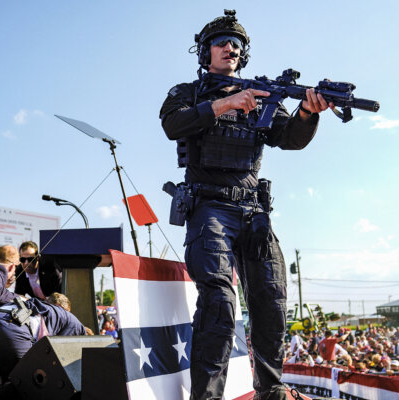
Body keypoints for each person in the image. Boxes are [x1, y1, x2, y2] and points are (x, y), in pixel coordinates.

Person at [159, 10, 333, 400]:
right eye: (221, 42)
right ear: (204, 52)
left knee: (271, 299)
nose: (230, 49)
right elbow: (174, 125)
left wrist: (308, 113)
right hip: (209, 207)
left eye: (236, 45)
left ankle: (270, 390)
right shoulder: (186, 93)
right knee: (220, 301)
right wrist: (227, 103)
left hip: (253, 211)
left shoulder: (262, 95)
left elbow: (290, 138)